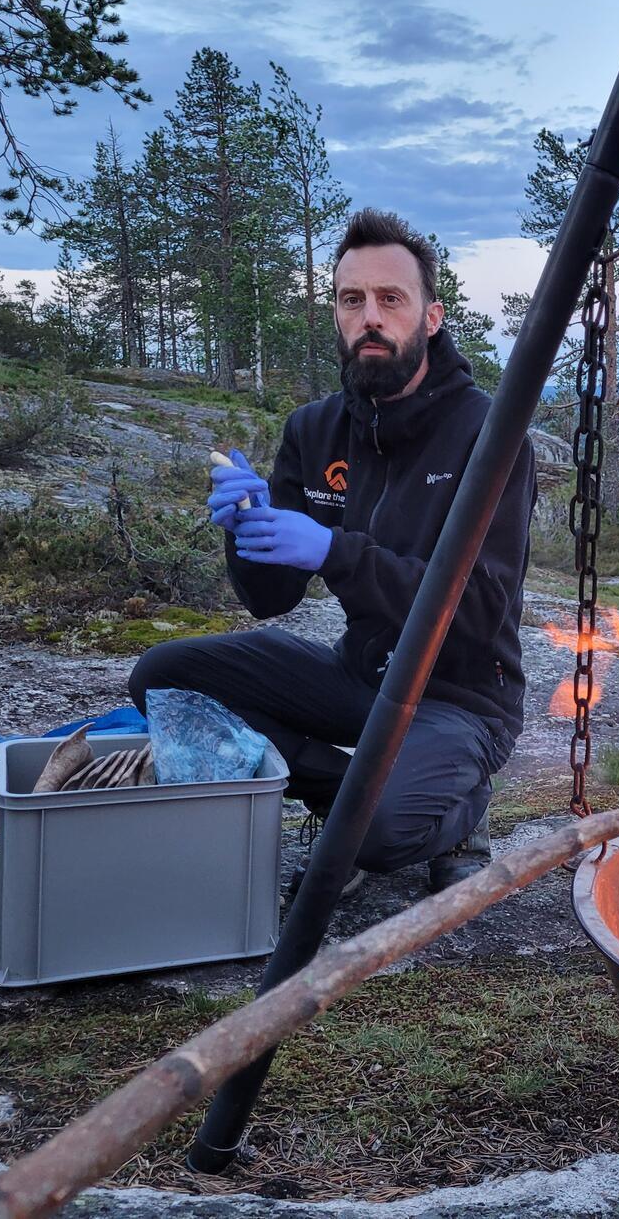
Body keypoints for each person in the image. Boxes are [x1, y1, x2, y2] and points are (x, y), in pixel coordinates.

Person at [129, 208, 533, 897]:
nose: (370, 317)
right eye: (352, 300)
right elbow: (270, 599)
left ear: (431, 317)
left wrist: (332, 550)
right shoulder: (315, 430)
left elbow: (480, 610)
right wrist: (246, 528)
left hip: (461, 698)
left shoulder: (488, 435)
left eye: (391, 299)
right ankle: (348, 795)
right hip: (361, 677)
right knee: (164, 678)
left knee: (375, 835)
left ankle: (459, 812)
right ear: (338, 316)